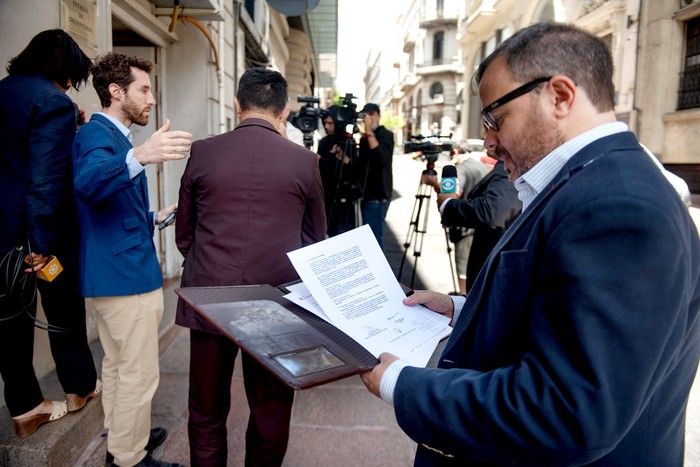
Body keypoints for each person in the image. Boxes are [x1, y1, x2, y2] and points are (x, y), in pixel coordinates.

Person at [361, 23, 700, 466]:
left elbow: (567, 411)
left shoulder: (618, 205)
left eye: (495, 119)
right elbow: (558, 303)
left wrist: (401, 383)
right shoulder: (595, 182)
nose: (488, 141)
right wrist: (461, 308)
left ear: (560, 96)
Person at [175, 67, 326, 467]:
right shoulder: (305, 161)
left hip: (209, 298)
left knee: (206, 411)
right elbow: (315, 242)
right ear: (285, 111)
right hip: (277, 303)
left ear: (237, 104)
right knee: (271, 410)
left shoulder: (204, 151)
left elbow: (184, 232)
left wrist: (210, 265)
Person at [72, 52, 191, 467]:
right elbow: (88, 184)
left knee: (122, 369)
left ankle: (123, 439)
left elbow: (107, 208)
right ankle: (129, 457)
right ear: (116, 92)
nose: (152, 99)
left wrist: (154, 216)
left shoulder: (114, 137)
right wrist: (140, 155)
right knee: (138, 374)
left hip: (116, 273)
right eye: (144, 89)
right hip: (124, 278)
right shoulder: (96, 135)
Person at [0, 29, 100, 438]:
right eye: (72, 78)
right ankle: (79, 388)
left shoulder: (4, 91)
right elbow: (47, 182)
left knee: (9, 320)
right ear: (61, 68)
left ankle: (25, 407)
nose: (70, 87)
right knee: (62, 309)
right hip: (37, 237)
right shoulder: (53, 102)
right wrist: (40, 246)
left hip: (2, 234)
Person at [436, 148, 521, 293]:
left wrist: (447, 204)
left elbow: (494, 210)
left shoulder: (507, 166)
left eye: (491, 127)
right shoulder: (483, 166)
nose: (485, 138)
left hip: (492, 266)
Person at [318, 106, 361, 237]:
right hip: (328, 196)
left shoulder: (349, 142)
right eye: (325, 123)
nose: (326, 126)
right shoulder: (324, 142)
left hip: (345, 196)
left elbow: (356, 171)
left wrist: (344, 158)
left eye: (330, 123)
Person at [358, 103, 394, 249]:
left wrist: (368, 132)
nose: (369, 118)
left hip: (378, 195)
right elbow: (361, 166)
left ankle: (379, 271)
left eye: (372, 114)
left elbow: (381, 157)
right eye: (366, 115)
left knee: (373, 240)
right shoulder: (364, 139)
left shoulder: (386, 134)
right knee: (367, 238)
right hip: (366, 194)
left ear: (378, 116)